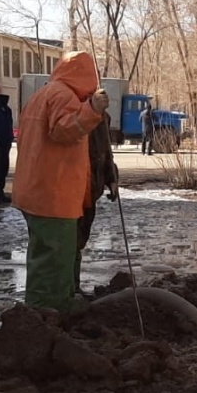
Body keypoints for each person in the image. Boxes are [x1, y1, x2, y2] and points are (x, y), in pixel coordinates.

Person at [12, 51, 110, 310]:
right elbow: (64, 130)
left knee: (52, 255)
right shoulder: (63, 96)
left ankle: (59, 302)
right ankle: (47, 313)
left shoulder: (43, 94)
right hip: (54, 194)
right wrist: (92, 110)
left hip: (38, 191)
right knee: (53, 260)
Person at [77, 113, 120, 293]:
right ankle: (66, 293)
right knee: (69, 244)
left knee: (79, 242)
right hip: (69, 192)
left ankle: (73, 289)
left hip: (89, 192)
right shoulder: (71, 110)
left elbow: (105, 152)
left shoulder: (101, 116)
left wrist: (111, 178)